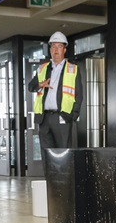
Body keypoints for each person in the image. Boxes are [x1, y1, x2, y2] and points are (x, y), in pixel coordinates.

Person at [27, 31, 84, 164]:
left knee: (63, 154)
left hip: (62, 117)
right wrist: (40, 84)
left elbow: (79, 95)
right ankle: (50, 182)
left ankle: (63, 183)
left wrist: (71, 116)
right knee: (47, 155)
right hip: (44, 118)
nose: (55, 50)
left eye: (59, 46)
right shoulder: (43, 68)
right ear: (50, 49)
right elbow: (31, 87)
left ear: (64, 49)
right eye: (53, 46)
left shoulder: (73, 69)